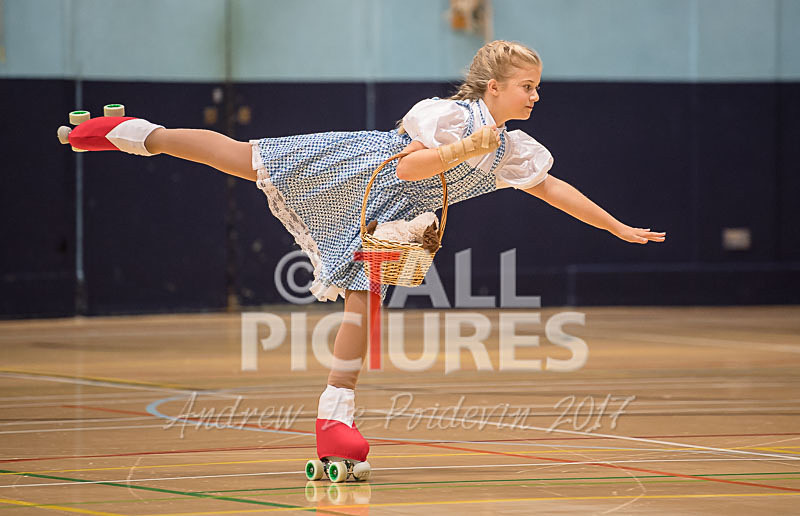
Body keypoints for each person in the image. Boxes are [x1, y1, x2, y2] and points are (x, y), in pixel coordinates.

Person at [58, 40, 666, 480]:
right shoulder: (452, 118)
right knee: (241, 157)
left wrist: (615, 227)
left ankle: (335, 418)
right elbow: (410, 167)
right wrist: (465, 148)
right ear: (493, 88)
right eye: (526, 86)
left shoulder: (512, 148)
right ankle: (130, 132)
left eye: (536, 86)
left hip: (392, 213)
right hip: (359, 170)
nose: (535, 95)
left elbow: (552, 189)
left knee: (365, 302)